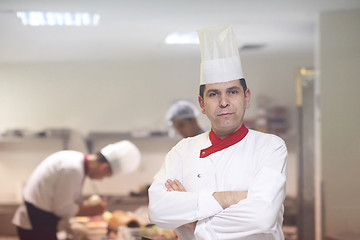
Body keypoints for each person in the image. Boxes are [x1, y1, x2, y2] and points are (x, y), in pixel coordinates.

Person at [148, 25, 288, 240]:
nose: (224, 102)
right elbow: (158, 209)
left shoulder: (270, 147)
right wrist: (229, 198)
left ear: (246, 97)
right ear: (201, 104)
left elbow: (261, 217)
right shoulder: (183, 151)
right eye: (214, 94)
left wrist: (192, 217)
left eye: (232, 92)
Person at [12, 140, 141, 240]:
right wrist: (92, 211)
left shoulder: (74, 159)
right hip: (35, 224)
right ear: (104, 167)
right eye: (107, 176)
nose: (102, 179)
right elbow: (62, 209)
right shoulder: (73, 169)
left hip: (39, 220)